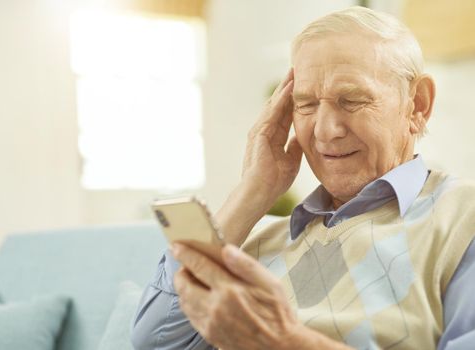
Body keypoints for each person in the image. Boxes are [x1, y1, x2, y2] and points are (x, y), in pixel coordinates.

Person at [131, 6, 475, 349]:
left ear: (417, 104)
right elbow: (157, 344)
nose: (325, 131)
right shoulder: (256, 239)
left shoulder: (462, 219)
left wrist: (283, 341)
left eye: (352, 100)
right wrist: (253, 190)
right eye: (306, 104)